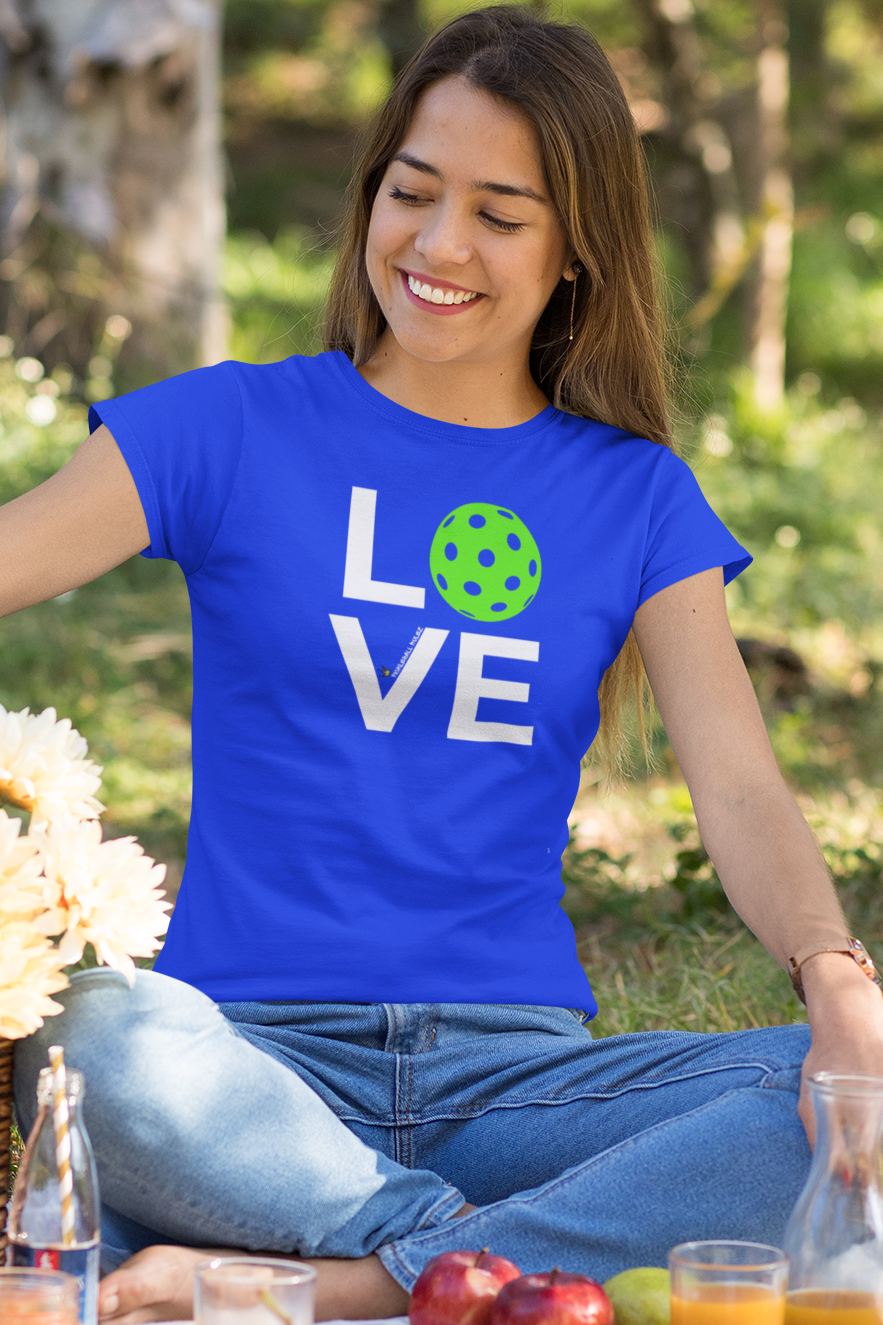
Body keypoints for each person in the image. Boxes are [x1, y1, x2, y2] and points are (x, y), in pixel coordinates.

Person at [6, 7, 883, 1322]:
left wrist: (836, 981)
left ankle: (349, 1286)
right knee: (89, 1037)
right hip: (245, 1074)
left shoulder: (635, 498)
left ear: (576, 249)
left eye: (499, 214)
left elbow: (744, 792)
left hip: (515, 1087)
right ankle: (473, 1263)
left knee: (824, 1103)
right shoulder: (226, 427)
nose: (438, 245)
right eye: (412, 193)